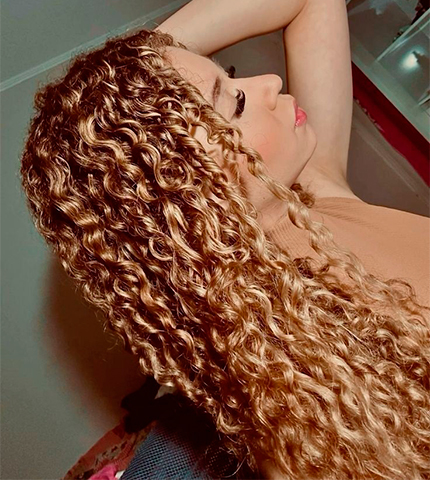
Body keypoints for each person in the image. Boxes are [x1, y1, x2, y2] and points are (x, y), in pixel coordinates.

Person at [19, 0, 429, 478]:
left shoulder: (317, 195)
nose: (269, 83)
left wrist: (135, 62)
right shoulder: (307, 397)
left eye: (231, 76)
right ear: (187, 199)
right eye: (235, 104)